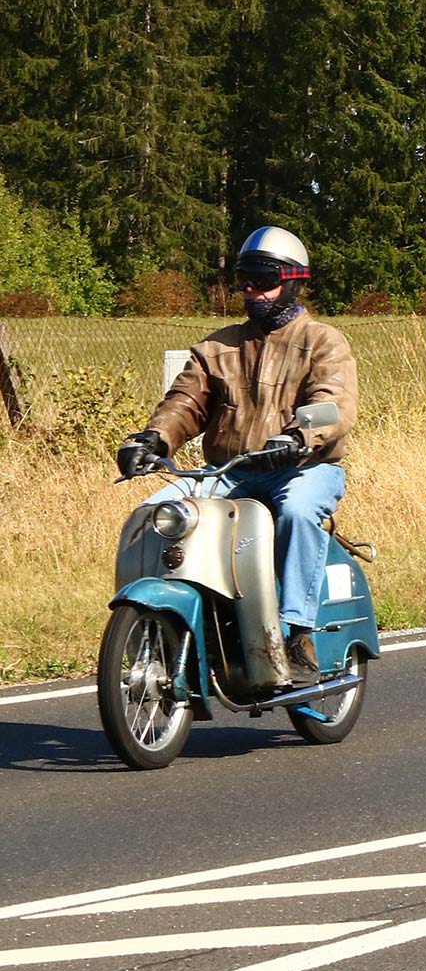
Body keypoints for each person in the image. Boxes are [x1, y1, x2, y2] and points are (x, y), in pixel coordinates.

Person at [115, 226, 359, 684]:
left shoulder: (323, 341)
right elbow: (184, 403)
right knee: (151, 515)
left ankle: (297, 633)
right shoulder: (216, 346)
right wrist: (152, 440)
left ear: (291, 280)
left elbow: (334, 401)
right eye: (244, 277)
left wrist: (297, 438)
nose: (250, 288)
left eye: (262, 278)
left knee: (300, 511)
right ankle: (153, 626)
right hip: (228, 472)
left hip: (302, 467)